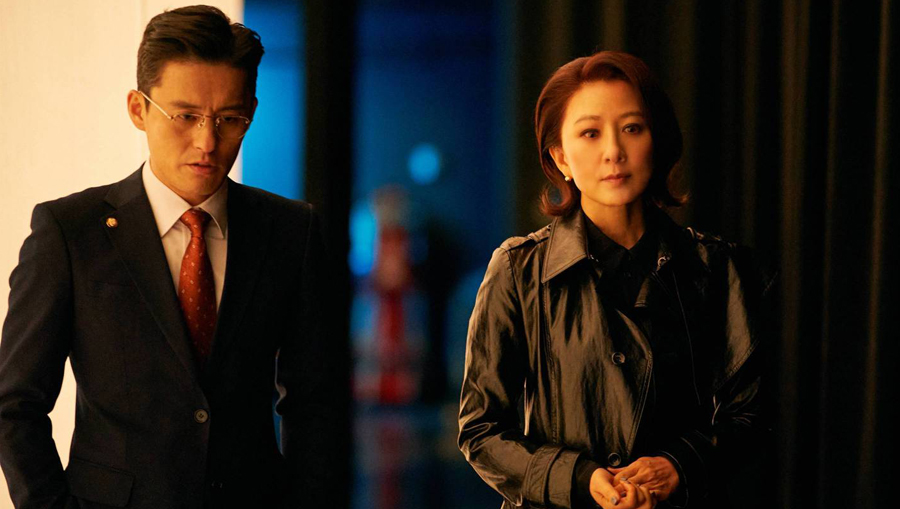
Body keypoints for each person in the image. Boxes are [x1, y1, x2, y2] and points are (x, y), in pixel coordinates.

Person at [0, 6, 345, 508]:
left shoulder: (290, 231)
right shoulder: (70, 232)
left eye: (229, 119)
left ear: (251, 112)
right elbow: (15, 405)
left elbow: (316, 403)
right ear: (138, 109)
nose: (208, 141)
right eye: (185, 116)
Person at [458, 51, 774, 509]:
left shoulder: (716, 267)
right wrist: (580, 479)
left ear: (656, 141)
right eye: (590, 133)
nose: (614, 152)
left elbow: (753, 416)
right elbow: (481, 430)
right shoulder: (518, 270)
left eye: (632, 128)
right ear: (560, 157)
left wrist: (679, 466)